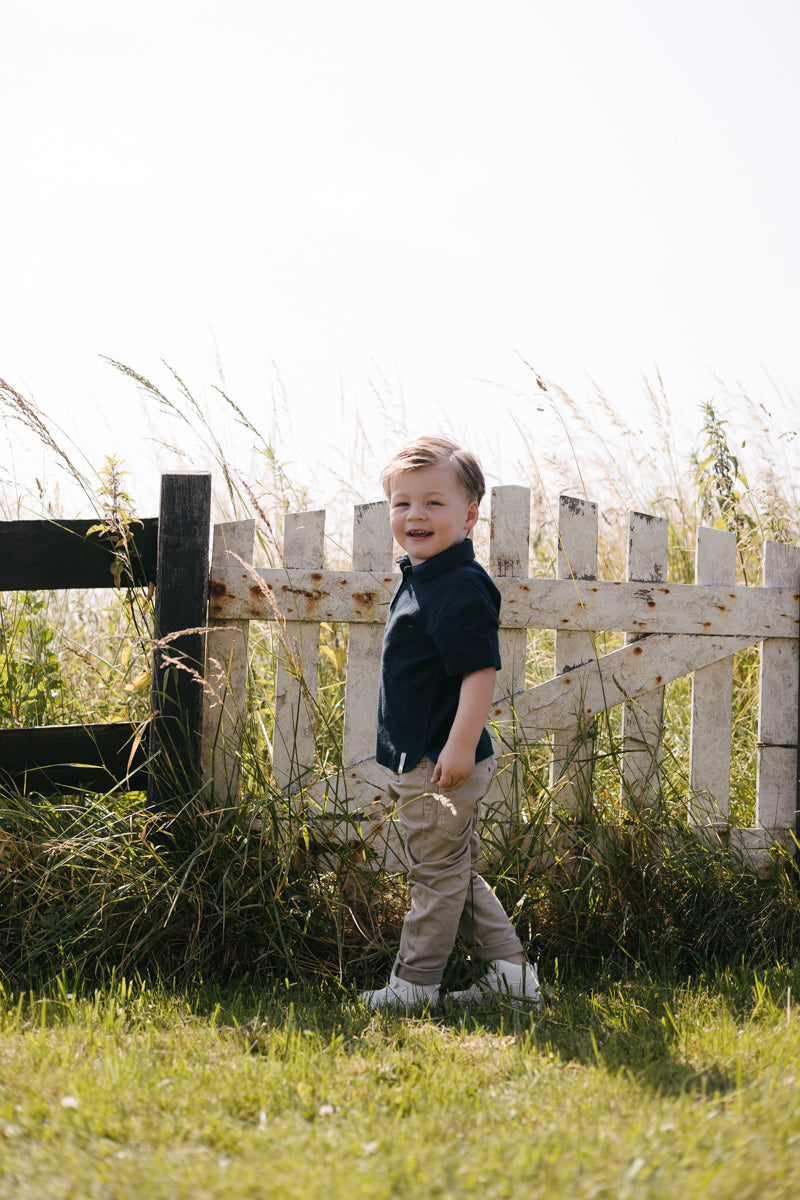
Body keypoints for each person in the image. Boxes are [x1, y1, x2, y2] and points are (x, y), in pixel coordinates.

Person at [360, 436, 540, 1011]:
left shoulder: (457, 585)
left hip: (442, 758)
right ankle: (512, 980)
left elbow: (479, 671)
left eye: (434, 503)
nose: (415, 514)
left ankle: (415, 986)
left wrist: (459, 747)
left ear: (468, 515)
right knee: (448, 868)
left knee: (434, 875)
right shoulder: (424, 577)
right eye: (402, 502)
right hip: (424, 755)